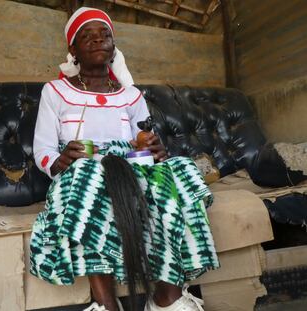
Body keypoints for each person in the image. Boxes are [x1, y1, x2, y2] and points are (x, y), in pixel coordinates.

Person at [30, 7, 219, 311]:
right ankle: (106, 304)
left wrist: (155, 151)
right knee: (89, 178)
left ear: (114, 46)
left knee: (180, 170)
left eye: (105, 35)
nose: (98, 40)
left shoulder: (131, 96)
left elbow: (144, 142)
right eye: (87, 36)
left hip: (130, 166)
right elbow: (43, 150)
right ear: (73, 49)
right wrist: (60, 161)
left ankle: (166, 298)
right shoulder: (55, 92)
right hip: (83, 169)